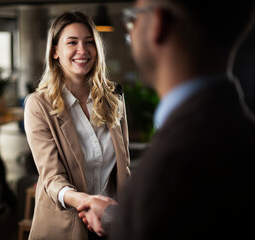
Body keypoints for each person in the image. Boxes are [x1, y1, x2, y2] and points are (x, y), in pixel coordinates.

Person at [77, 0, 255, 239]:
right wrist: (114, 215)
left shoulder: (167, 172)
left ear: (157, 25)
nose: (131, 29)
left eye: (134, 18)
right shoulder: (239, 132)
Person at [24, 11, 130, 239]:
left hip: (111, 224)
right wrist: (87, 201)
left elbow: (124, 167)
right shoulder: (38, 105)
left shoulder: (114, 98)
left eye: (89, 42)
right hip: (65, 228)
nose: (82, 50)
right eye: (72, 42)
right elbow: (52, 179)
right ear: (55, 51)